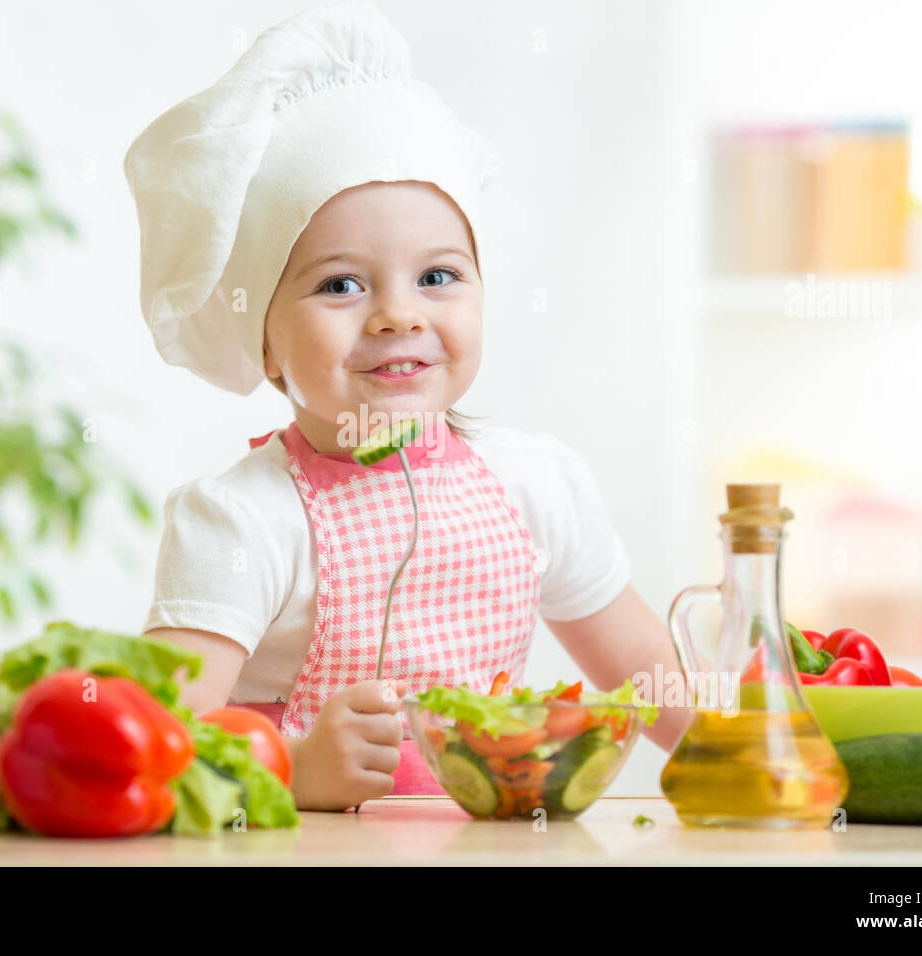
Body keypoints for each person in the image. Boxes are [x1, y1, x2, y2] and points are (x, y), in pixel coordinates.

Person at [124, 0, 687, 812]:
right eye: (341, 284)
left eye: (438, 276)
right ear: (267, 343)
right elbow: (153, 741)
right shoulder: (243, 522)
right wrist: (293, 766)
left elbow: (659, 684)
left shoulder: (538, 486)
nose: (399, 314)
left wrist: (771, 757)